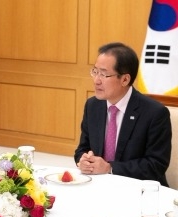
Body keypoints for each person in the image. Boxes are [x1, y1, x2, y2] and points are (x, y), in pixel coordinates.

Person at [74, 42, 172, 186]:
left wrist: (110, 168)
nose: (96, 80)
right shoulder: (93, 106)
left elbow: (156, 165)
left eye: (104, 74)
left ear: (125, 79)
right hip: (99, 185)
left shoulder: (155, 113)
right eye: (95, 72)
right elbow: (82, 148)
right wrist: (83, 160)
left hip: (140, 190)